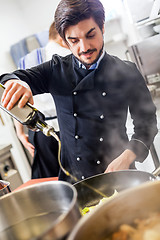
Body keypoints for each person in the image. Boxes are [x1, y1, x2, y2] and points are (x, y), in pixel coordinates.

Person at [0, 0, 158, 183]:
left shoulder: (127, 71)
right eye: (74, 41)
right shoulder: (56, 70)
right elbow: (8, 77)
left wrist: (128, 156)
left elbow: (147, 124)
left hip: (120, 174)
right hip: (75, 181)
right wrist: (16, 82)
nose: (84, 48)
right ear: (64, 41)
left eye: (90, 35)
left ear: (102, 28)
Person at [14, 21, 70, 179]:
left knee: (50, 182)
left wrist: (20, 132)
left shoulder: (25, 60)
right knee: (80, 179)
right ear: (61, 37)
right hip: (70, 129)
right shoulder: (70, 57)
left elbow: (19, 98)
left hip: (39, 130)